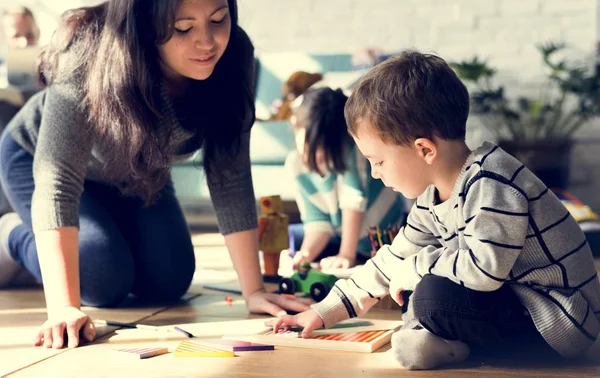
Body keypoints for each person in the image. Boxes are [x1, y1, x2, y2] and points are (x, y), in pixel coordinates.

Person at [0, 0, 310, 350]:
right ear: (145, 26)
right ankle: (14, 235)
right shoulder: (87, 50)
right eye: (183, 28)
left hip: (136, 171)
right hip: (38, 160)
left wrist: (253, 291)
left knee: (170, 279)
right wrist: (63, 308)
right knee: (103, 279)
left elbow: (230, 174)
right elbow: (57, 183)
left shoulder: (235, 54)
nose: (207, 41)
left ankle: (102, 236)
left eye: (219, 20)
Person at [269, 51, 600, 369]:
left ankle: (453, 344)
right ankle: (446, 344)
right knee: (421, 284)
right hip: (516, 305)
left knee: (430, 291)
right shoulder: (431, 199)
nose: (374, 173)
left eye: (378, 161)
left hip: (560, 321)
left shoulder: (492, 182)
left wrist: (418, 266)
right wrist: (321, 312)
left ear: (424, 149)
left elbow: (483, 269)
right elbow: (390, 262)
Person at [285, 86, 406, 270]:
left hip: (388, 239)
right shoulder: (295, 164)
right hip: (350, 242)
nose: (318, 153)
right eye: (312, 143)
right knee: (297, 243)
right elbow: (317, 221)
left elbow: (353, 200)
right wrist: (305, 255)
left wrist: (345, 254)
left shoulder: (354, 151)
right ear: (296, 127)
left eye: (326, 146)